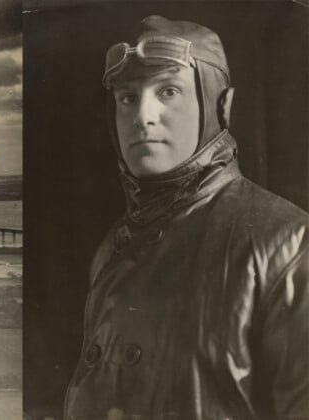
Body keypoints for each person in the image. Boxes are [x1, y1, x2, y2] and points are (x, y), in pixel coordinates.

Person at [64, 15, 308, 419]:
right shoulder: (111, 247)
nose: (143, 116)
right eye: (127, 98)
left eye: (168, 91)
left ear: (222, 107)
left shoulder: (288, 244)